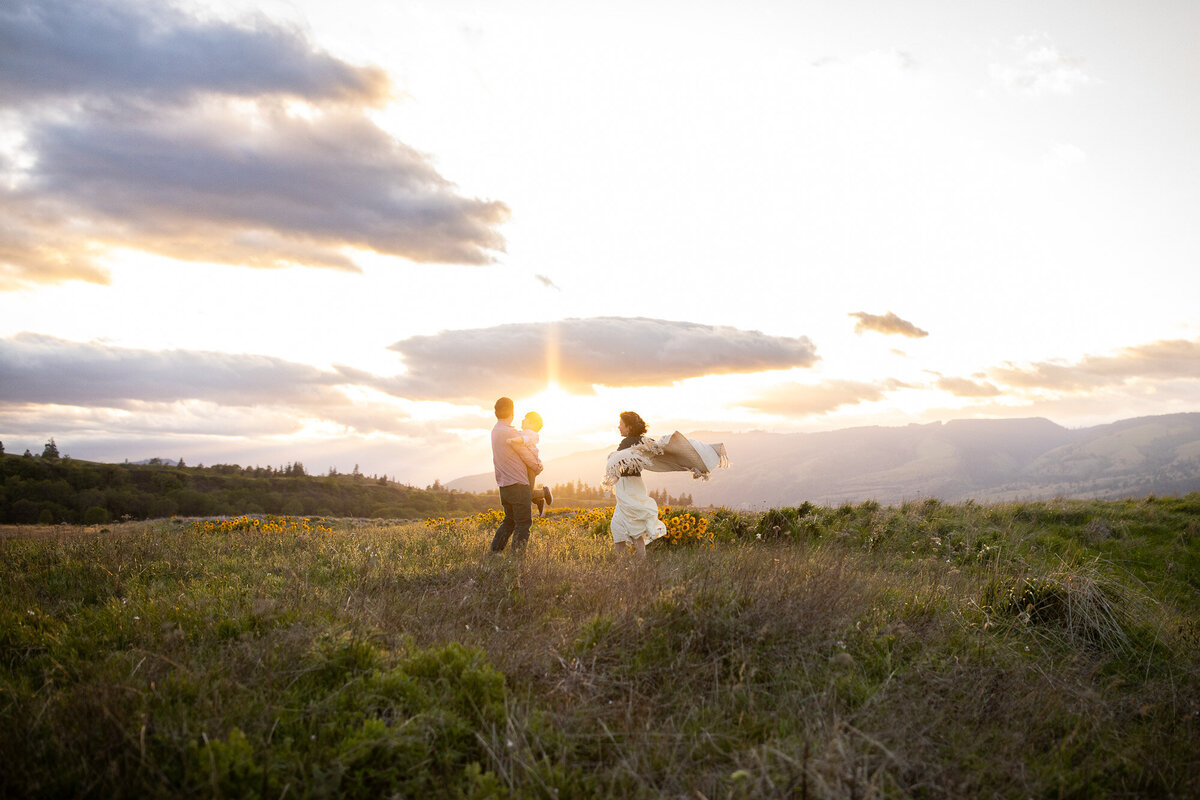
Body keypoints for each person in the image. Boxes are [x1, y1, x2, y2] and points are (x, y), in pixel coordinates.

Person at [603, 411, 667, 557]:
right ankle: (623, 564)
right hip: (634, 485)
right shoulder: (643, 441)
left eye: (621, 424)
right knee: (619, 525)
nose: (619, 427)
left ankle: (640, 565)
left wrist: (612, 457)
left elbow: (618, 461)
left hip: (627, 487)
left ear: (629, 427)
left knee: (633, 528)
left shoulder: (627, 442)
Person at [489, 397, 544, 552]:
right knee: (524, 523)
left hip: (504, 485)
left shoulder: (495, 431)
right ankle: (516, 559)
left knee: (510, 521)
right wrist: (539, 466)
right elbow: (527, 456)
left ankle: (495, 553)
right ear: (512, 412)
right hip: (518, 484)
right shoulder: (510, 433)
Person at [507, 411, 554, 515]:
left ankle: (544, 493)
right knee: (527, 491)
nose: (522, 420)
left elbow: (523, 439)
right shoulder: (525, 432)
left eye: (526, 419)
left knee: (527, 493)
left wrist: (512, 440)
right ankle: (538, 501)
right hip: (526, 467)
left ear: (533, 424)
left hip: (530, 468)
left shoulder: (532, 434)